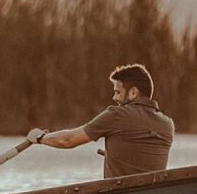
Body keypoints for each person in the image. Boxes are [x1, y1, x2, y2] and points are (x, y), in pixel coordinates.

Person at [26, 63, 174, 177]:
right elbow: (140, 155)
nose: (114, 98)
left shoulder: (117, 115)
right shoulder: (168, 124)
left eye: (117, 92)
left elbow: (68, 140)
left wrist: (40, 137)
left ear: (133, 92)